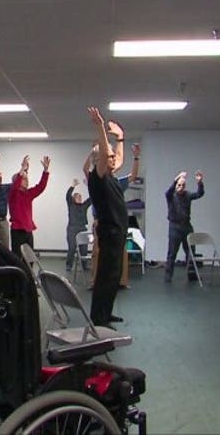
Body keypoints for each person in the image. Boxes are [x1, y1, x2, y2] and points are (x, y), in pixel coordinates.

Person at [85, 108, 134, 327]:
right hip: (110, 233)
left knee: (114, 277)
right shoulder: (97, 179)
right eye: (109, 157)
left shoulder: (112, 176)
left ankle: (107, 312)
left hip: (118, 233)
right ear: (100, 161)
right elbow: (106, 155)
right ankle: (99, 318)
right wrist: (100, 127)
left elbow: (118, 157)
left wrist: (120, 137)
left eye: (113, 157)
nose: (113, 159)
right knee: (105, 277)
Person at [164, 170, 205, 283]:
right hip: (175, 227)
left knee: (191, 252)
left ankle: (192, 275)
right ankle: (168, 276)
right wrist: (176, 179)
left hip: (186, 226)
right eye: (179, 185)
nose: (181, 187)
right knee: (172, 252)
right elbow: (168, 192)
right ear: (176, 186)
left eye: (183, 185)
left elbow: (199, 194)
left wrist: (200, 182)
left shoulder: (187, 195)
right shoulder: (171, 196)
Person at [8, 155, 50, 258]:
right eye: (24, 179)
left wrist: (45, 171)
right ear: (17, 181)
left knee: (30, 258)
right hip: (17, 230)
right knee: (17, 258)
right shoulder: (13, 193)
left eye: (27, 179)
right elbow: (15, 186)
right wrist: (23, 169)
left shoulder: (29, 194)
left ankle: (29, 270)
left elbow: (41, 187)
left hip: (28, 230)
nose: (27, 181)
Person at [65, 179, 92, 272]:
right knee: (72, 248)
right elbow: (68, 196)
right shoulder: (71, 205)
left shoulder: (84, 206)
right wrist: (73, 186)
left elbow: (91, 198)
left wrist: (89, 186)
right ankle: (69, 265)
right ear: (73, 199)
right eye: (78, 197)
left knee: (84, 249)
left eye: (80, 197)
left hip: (82, 229)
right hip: (72, 229)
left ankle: (84, 266)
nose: (80, 198)